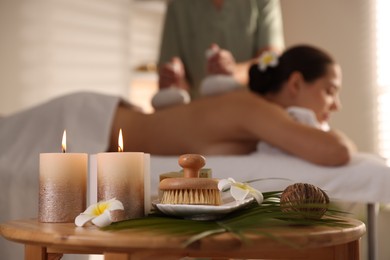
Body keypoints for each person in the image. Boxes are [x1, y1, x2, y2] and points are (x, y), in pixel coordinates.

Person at [158, 0, 285, 99]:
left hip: (253, 110)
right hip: (200, 116)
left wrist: (233, 71)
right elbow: (172, 69)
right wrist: (175, 81)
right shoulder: (178, 7)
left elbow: (272, 60)